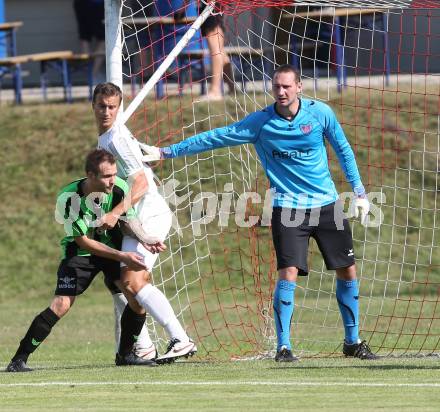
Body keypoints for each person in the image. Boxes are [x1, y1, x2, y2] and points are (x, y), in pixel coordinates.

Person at [141, 64, 379, 361]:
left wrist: (359, 192)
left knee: (347, 270)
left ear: (299, 87)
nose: (281, 92)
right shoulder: (261, 123)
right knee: (288, 273)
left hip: (327, 205)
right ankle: (283, 346)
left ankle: (353, 341)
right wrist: (166, 152)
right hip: (288, 209)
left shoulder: (321, 114)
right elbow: (217, 136)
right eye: (276, 87)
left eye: (287, 87)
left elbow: (343, 149)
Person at [6, 149, 159, 372]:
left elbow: (129, 220)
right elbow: (84, 242)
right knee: (61, 305)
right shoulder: (69, 198)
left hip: (113, 249)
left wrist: (146, 239)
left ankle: (126, 355)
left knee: (137, 299)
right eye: (107, 176)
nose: (112, 180)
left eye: (114, 174)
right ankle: (18, 360)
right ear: (90, 175)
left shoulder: (120, 188)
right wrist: (122, 256)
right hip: (81, 254)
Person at [93, 82, 197, 363]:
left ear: (119, 107)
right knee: (124, 283)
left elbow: (139, 182)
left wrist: (115, 212)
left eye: (112, 107)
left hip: (148, 214)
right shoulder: (106, 139)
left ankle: (180, 338)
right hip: (137, 219)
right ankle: (145, 346)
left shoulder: (116, 139)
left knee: (133, 281)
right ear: (93, 105)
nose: (106, 111)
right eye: (102, 105)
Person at [73, 0, 105, 82]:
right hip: (97, 4)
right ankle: (93, 74)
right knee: (104, 38)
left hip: (81, 4)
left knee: (85, 37)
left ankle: (91, 75)